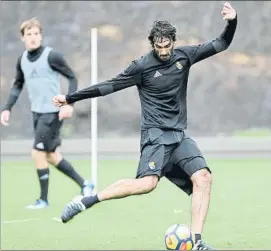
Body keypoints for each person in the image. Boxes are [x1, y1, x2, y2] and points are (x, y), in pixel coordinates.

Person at [52, 2, 237, 249]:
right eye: (158, 46)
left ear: (173, 41)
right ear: (153, 44)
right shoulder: (141, 66)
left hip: (178, 136)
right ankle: (88, 200)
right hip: (156, 137)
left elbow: (221, 44)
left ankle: (197, 242)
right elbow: (108, 86)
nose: (163, 50)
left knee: (203, 177)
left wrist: (232, 22)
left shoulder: (185, 56)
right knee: (147, 184)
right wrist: (70, 97)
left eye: (167, 45)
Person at [1, 18, 95, 209]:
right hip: (37, 112)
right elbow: (17, 85)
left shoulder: (52, 56)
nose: (33, 37)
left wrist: (70, 103)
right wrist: (7, 108)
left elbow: (72, 77)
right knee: (51, 155)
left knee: (37, 153)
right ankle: (86, 185)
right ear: (23, 38)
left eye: (36, 33)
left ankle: (43, 200)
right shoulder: (22, 60)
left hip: (52, 113)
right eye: (29, 34)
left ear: (41, 35)